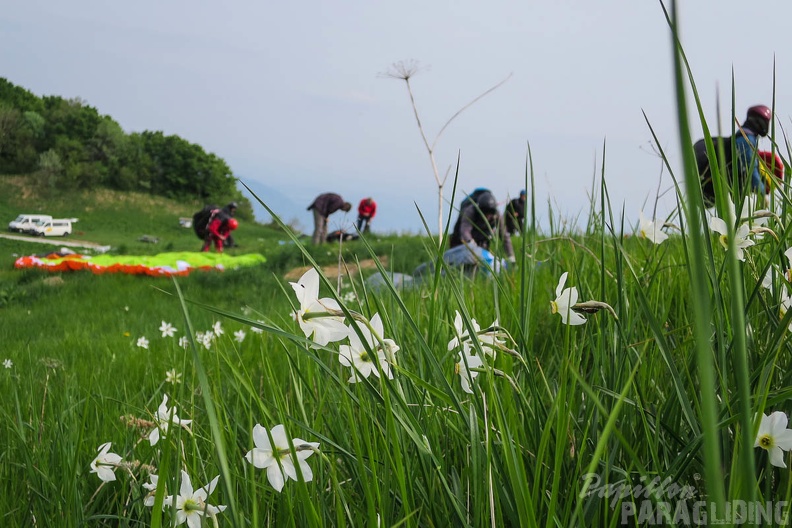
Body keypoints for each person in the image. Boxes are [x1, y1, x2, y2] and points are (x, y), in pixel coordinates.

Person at [695, 105, 772, 206]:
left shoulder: (739, 136)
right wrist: (762, 192)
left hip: (720, 189)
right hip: (732, 191)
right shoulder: (746, 139)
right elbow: (749, 168)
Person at [449, 189, 515, 264]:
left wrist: (511, 256)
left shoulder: (497, 215)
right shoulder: (470, 211)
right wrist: (470, 242)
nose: (487, 217)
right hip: (464, 244)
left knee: (482, 264)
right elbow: (465, 230)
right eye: (485, 213)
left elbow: (505, 236)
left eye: (490, 213)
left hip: (482, 243)